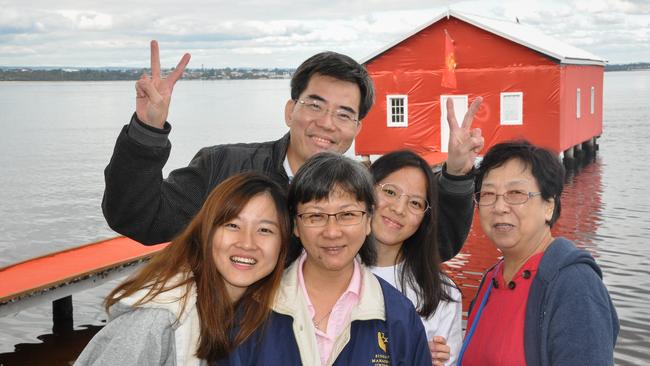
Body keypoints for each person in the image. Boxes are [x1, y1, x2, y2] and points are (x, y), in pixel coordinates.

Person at [102, 40, 484, 258]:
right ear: (290, 110)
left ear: (357, 128)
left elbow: (438, 245)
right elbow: (139, 218)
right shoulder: (224, 166)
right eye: (314, 105)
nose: (326, 123)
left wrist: (457, 175)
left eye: (344, 114)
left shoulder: (363, 194)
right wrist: (148, 131)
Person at [219, 152, 432, 365]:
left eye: (347, 215)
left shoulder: (399, 316)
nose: (332, 232)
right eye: (315, 216)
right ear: (295, 226)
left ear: (368, 220)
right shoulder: (250, 311)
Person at [75, 172, 290, 365]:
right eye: (232, 225)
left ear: (283, 244)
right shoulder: (158, 321)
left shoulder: (260, 314)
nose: (247, 243)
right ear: (206, 231)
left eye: (264, 230)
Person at [458, 141, 619, 366]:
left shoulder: (575, 286)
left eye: (515, 193)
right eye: (488, 194)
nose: (499, 207)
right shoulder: (491, 280)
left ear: (549, 206)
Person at [368, 150, 463, 366]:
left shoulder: (443, 294)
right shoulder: (329, 270)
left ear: (425, 218)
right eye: (390, 192)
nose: (399, 209)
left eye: (415, 203)